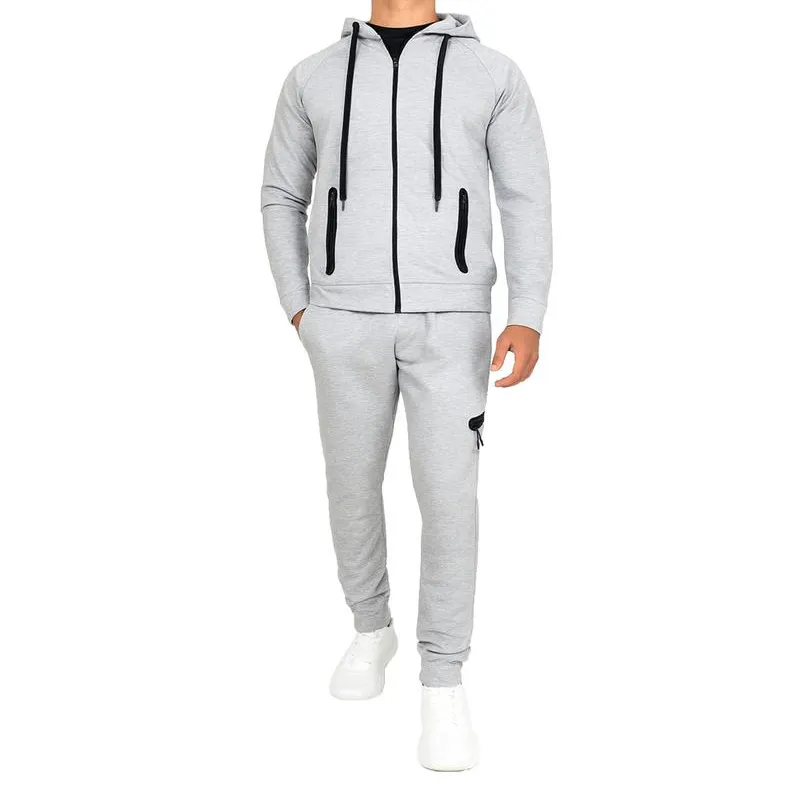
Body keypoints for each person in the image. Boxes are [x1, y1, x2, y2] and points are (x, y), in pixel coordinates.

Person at [261, 0, 551, 771]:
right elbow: (281, 195)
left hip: (452, 323)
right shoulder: (313, 76)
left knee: (448, 497)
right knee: (351, 486)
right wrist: (301, 307)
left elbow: (525, 197)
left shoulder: (491, 73)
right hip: (341, 320)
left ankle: (443, 681)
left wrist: (527, 313)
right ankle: (371, 629)